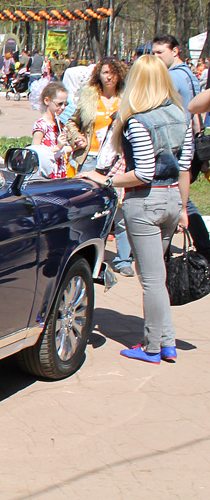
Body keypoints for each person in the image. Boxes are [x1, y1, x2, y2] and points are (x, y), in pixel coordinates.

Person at [78, 55, 193, 364]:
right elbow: (185, 167)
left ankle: (153, 346)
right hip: (171, 199)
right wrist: (181, 206)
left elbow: (142, 172)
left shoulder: (138, 120)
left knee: (152, 280)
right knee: (158, 275)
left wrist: (106, 179)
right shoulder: (181, 115)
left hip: (144, 201)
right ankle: (165, 341)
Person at [64, 57, 133, 274]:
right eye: (105, 72)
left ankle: (123, 260)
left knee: (119, 212)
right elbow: (71, 122)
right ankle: (90, 257)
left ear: (120, 74)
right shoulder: (89, 97)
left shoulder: (127, 98)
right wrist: (77, 138)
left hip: (118, 161)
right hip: (90, 159)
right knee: (90, 210)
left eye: (113, 72)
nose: (109, 76)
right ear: (98, 75)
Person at [151, 33, 210, 261]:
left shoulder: (173, 77)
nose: (156, 57)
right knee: (178, 193)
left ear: (175, 51)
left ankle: (164, 249)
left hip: (176, 142)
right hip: (189, 141)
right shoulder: (188, 74)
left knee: (174, 193)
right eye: (153, 53)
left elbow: (192, 108)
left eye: (160, 52)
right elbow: (194, 109)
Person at [32, 80, 70, 179]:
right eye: (59, 104)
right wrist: (57, 147)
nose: (63, 107)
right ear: (47, 101)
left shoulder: (60, 124)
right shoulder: (41, 125)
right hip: (48, 172)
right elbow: (35, 152)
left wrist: (77, 147)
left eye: (66, 104)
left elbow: (62, 150)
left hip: (60, 170)